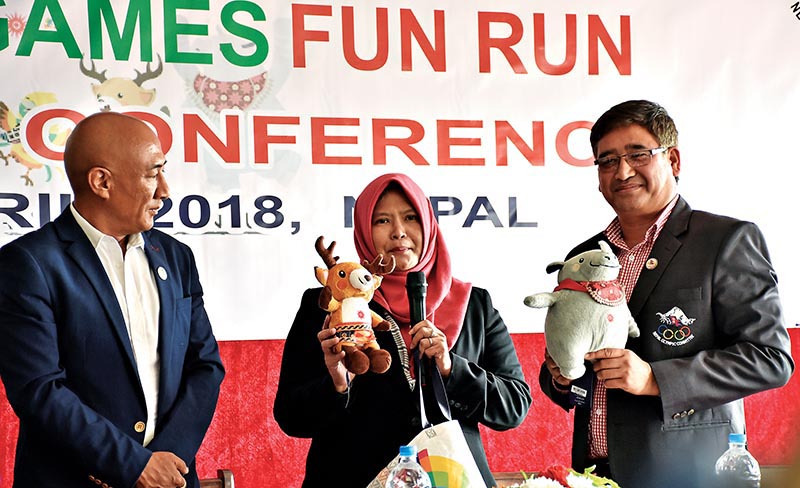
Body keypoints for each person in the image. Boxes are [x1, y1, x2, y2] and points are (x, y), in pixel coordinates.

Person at [539, 100, 794, 487]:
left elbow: (770, 358)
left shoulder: (724, 241)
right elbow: (570, 365)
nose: (622, 171)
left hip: (689, 474)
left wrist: (656, 378)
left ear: (672, 160)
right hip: (594, 475)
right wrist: (561, 376)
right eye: (607, 161)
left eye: (638, 154)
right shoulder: (584, 257)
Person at [0, 112, 225, 488]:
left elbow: (206, 366)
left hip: (172, 479)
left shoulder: (176, 257)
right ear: (101, 181)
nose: (165, 190)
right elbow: (39, 389)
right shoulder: (28, 263)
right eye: (154, 173)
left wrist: (167, 460)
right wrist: (132, 465)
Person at [274, 172, 532, 488]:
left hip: (452, 479)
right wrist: (337, 384)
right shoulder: (329, 303)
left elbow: (514, 405)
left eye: (410, 217)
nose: (399, 232)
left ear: (428, 223)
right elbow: (290, 415)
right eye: (382, 221)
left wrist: (452, 370)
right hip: (352, 476)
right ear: (364, 231)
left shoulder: (473, 303)